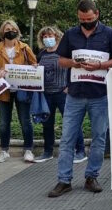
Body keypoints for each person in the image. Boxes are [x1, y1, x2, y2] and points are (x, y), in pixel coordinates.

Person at [48, 0, 112, 198]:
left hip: (99, 95)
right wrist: (74, 63)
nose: (86, 23)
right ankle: (64, 180)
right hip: (74, 94)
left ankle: (92, 176)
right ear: (78, 17)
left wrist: (101, 65)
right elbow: (61, 60)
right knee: (67, 139)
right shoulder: (71, 34)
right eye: (82, 20)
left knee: (99, 138)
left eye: (89, 19)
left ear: (97, 14)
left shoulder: (109, 33)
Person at [34, 26, 86, 164]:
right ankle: (47, 152)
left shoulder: (64, 53)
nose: (47, 39)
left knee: (71, 123)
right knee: (47, 124)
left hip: (63, 92)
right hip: (46, 94)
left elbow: (72, 69)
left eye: (50, 36)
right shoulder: (41, 54)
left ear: (57, 37)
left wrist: (69, 86)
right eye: (44, 36)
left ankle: (80, 151)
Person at [0, 20, 38, 163]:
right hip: (3, 90)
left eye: (12, 28)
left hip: (22, 89)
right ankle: (4, 151)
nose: (10, 31)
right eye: (7, 29)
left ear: (17, 31)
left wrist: (34, 67)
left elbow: (34, 63)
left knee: (25, 120)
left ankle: (28, 150)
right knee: (4, 122)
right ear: (2, 32)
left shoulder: (24, 48)